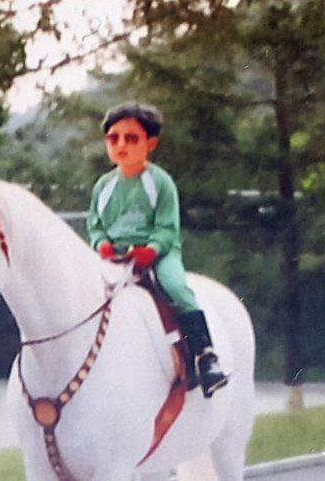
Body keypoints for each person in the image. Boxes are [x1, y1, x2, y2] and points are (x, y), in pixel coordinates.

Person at [87, 102, 228, 397]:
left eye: (131, 138)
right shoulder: (103, 186)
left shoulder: (160, 183)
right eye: (114, 138)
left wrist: (151, 249)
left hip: (157, 255)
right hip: (115, 257)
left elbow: (166, 227)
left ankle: (206, 356)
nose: (121, 145)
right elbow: (95, 224)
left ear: (150, 144)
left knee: (176, 287)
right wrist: (101, 244)